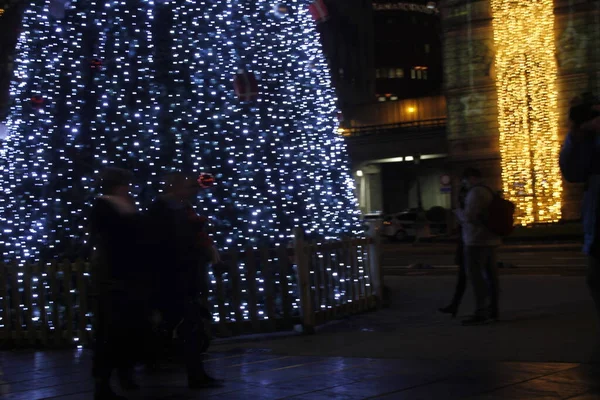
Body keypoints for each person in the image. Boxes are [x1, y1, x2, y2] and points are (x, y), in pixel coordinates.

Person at [146, 173, 222, 388]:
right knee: (189, 324)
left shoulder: (178, 208)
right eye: (189, 187)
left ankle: (190, 371)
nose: (194, 191)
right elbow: (169, 243)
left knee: (183, 324)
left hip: (181, 276)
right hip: (173, 277)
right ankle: (194, 374)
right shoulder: (165, 211)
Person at [89, 167, 146, 400]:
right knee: (111, 330)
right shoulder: (105, 206)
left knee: (127, 328)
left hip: (126, 275)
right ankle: (104, 381)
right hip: (114, 275)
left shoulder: (122, 205)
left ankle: (125, 372)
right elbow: (118, 237)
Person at [559, 93, 600, 324]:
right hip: (596, 227)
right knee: (594, 279)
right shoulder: (587, 140)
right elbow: (572, 172)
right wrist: (578, 134)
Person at [454, 168, 501, 325]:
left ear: (472, 178)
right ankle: (493, 310)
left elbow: (469, 217)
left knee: (476, 277)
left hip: (476, 240)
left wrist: (458, 212)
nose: (464, 184)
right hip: (491, 239)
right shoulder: (490, 190)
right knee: (491, 276)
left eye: (465, 181)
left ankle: (481, 311)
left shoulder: (475, 193)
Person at [439, 182, 469, 318]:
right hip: (466, 247)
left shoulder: (469, 208)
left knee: (476, 279)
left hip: (471, 246)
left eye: (462, 196)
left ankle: (487, 308)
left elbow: (469, 225)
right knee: (463, 280)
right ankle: (454, 306)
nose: (460, 199)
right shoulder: (465, 207)